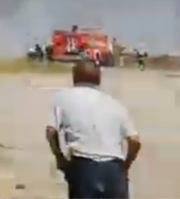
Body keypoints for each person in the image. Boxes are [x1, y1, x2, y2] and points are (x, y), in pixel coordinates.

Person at [46, 60, 141, 199]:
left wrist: (59, 157)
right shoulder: (114, 103)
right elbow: (135, 141)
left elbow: (51, 131)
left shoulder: (62, 97)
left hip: (84, 167)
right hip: (114, 169)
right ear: (99, 79)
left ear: (74, 76)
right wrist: (125, 166)